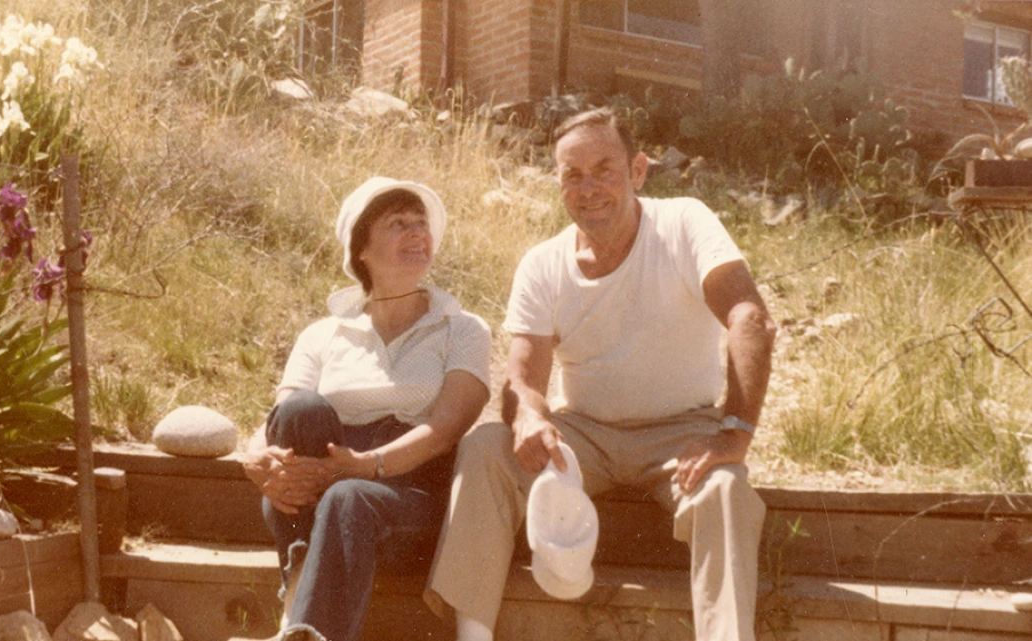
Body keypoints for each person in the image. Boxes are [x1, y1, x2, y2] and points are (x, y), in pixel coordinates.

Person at [424, 107, 777, 641]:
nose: (588, 188)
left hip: (682, 433)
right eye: (572, 174)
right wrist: (529, 422)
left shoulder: (684, 222)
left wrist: (736, 432)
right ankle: (473, 636)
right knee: (485, 449)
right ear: (558, 184)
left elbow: (749, 316)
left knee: (726, 491)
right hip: (583, 436)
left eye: (604, 169)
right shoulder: (542, 264)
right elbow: (523, 379)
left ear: (637, 171)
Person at [243, 177, 492, 641]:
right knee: (303, 408)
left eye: (422, 224)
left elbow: (446, 428)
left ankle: (301, 624)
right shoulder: (323, 334)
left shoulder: (463, 329)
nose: (417, 233)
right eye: (398, 224)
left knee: (348, 496)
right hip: (323, 488)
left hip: (410, 496)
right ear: (362, 250)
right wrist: (256, 457)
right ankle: (301, 587)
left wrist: (365, 466)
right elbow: (278, 418)